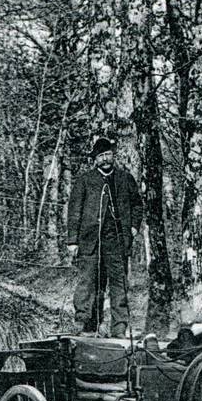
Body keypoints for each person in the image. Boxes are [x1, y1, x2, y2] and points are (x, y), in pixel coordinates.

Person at [66, 130, 145, 337]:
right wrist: (72, 241)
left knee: (119, 285)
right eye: (101, 156)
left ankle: (119, 328)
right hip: (90, 241)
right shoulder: (84, 181)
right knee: (89, 283)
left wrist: (134, 227)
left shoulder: (125, 179)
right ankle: (86, 324)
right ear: (95, 160)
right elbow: (74, 211)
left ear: (113, 156)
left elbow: (138, 205)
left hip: (117, 240)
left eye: (108, 154)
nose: (105, 159)